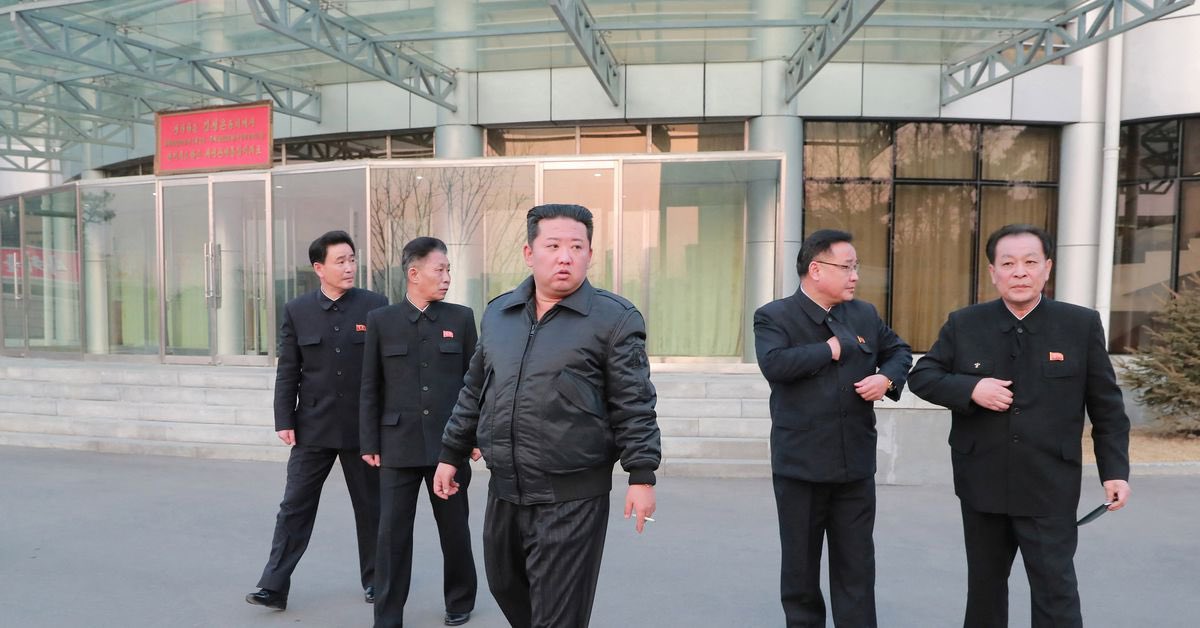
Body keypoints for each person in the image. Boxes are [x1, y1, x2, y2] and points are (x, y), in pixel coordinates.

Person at [432, 203, 660, 628]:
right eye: (553, 246)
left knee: (558, 613)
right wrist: (451, 452)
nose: (565, 257)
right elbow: (475, 389)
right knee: (505, 585)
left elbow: (634, 402)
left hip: (572, 494)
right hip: (505, 488)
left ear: (590, 254)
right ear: (529, 253)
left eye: (576, 247)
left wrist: (642, 475)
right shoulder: (499, 314)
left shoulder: (614, 319)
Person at [908, 224, 1132, 628]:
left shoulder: (1079, 324)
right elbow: (923, 376)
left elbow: (1107, 407)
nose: (1020, 272)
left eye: (1030, 262)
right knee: (985, 591)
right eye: (1008, 264)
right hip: (982, 482)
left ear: (1047, 268)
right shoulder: (965, 323)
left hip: (1050, 483)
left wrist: (1114, 471)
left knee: (1056, 591)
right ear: (993, 272)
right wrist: (972, 389)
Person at [753, 228, 912, 628]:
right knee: (801, 572)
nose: (855, 276)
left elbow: (899, 351)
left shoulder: (864, 314)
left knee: (856, 568)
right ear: (816, 269)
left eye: (856, 267)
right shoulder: (775, 316)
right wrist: (828, 349)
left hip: (854, 466)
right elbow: (774, 364)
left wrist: (886, 379)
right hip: (800, 469)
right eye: (847, 267)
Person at [246, 230, 388, 611]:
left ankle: (377, 580)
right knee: (294, 506)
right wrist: (284, 418)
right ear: (319, 268)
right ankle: (273, 585)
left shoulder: (375, 306)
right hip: (313, 426)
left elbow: (386, 370)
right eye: (340, 261)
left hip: (362, 429)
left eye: (352, 259)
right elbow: (288, 369)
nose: (349, 267)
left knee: (372, 508)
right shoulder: (298, 310)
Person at [360, 237, 478, 627]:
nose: (447, 277)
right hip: (397, 445)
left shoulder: (461, 319)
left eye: (448, 270)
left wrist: (474, 437)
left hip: (449, 446)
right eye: (439, 270)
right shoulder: (382, 321)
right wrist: (369, 441)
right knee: (391, 535)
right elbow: (370, 386)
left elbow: (475, 384)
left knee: (454, 529)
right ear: (414, 273)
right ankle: (388, 615)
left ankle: (459, 600)